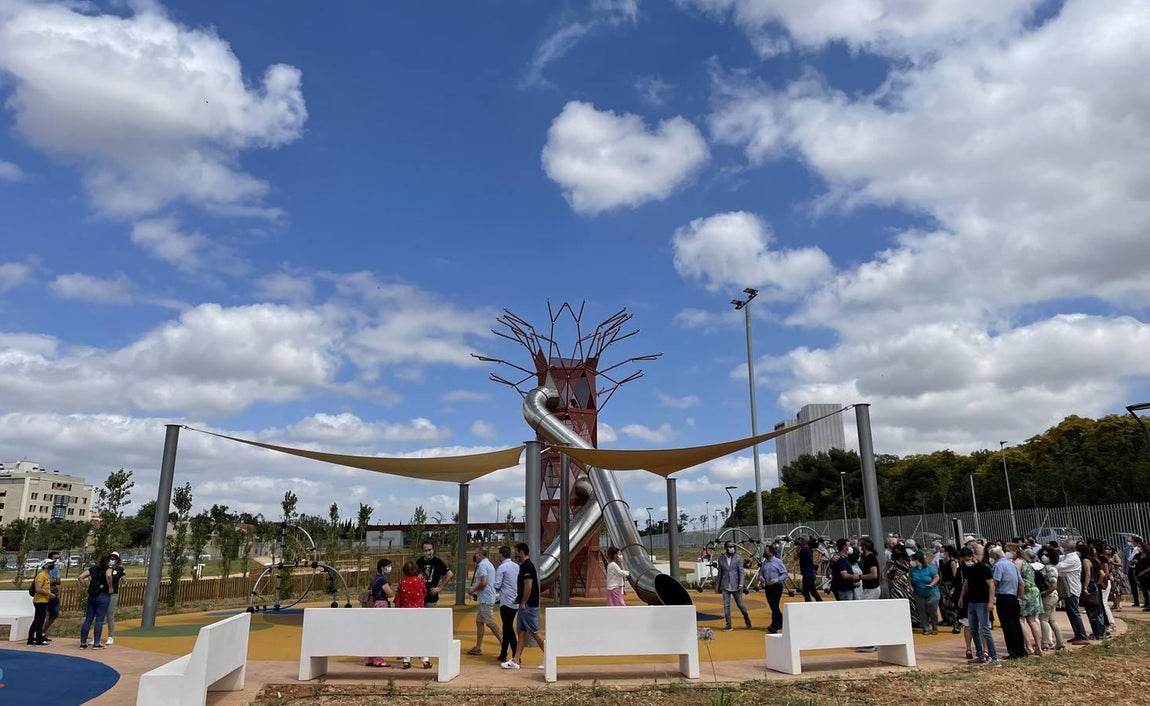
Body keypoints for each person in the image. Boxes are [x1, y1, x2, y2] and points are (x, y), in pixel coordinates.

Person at [502, 543, 545, 670]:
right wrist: (519, 599)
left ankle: (549, 656)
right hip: (523, 605)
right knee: (521, 632)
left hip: (528, 606)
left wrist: (523, 602)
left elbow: (528, 585)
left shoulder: (527, 567)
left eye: (517, 552)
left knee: (534, 632)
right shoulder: (524, 566)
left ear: (521, 552)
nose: (516, 555)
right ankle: (516, 660)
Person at [959, 546, 999, 666]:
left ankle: (994, 657)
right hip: (972, 601)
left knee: (985, 629)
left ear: (973, 556)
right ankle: (980, 655)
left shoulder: (983, 568)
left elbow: (991, 585)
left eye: (967, 559)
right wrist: (962, 596)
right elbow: (967, 583)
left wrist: (991, 601)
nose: (966, 562)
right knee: (973, 629)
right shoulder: (966, 569)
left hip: (982, 601)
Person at [989, 546, 1026, 659]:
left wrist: (990, 598)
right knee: (1016, 624)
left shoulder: (998, 565)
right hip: (1013, 597)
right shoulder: (1012, 565)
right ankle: (1020, 650)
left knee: (1007, 626)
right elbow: (1021, 583)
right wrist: (1019, 597)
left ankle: (1013, 652)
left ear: (995, 556)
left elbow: (994, 582)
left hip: (1003, 597)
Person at [466, 548, 502, 654]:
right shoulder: (488, 564)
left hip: (486, 599)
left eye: (475, 554)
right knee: (479, 621)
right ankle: (478, 647)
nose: (474, 556)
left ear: (479, 555)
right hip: (486, 597)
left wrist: (473, 590)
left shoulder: (482, 565)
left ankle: (504, 643)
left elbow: (483, 582)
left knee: (490, 622)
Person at [393, 560, 427, 669]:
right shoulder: (420, 581)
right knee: (420, 636)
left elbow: (398, 598)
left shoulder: (402, 583)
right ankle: (425, 660)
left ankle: (406, 660)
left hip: (405, 613)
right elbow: (424, 592)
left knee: (406, 636)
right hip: (419, 612)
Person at [1055, 540, 1091, 644]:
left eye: (1063, 547)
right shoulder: (1068, 556)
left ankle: (1082, 636)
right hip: (1068, 588)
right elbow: (1059, 560)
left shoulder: (1073, 559)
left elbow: (1058, 567)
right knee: (1071, 613)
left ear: (1067, 548)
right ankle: (1078, 634)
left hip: (1071, 588)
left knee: (1074, 613)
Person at [77, 553, 114, 649]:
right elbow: (109, 576)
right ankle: (96, 643)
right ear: (109, 560)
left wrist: (86, 586)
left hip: (92, 595)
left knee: (88, 619)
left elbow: (80, 577)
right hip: (103, 595)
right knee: (99, 620)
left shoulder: (93, 568)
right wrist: (110, 587)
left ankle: (83, 642)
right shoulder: (108, 568)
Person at [365, 558, 396, 667]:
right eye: (388, 566)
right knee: (381, 632)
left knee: (374, 632)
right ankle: (378, 659)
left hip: (375, 605)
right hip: (382, 605)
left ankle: (370, 658)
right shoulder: (382, 580)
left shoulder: (375, 578)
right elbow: (390, 593)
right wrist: (392, 591)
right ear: (383, 568)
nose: (389, 568)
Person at [714, 540, 751, 631]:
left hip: (736, 585)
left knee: (740, 604)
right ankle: (728, 624)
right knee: (726, 605)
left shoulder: (738, 558)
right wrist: (717, 586)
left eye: (733, 546)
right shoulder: (721, 558)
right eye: (729, 547)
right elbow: (720, 573)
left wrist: (741, 584)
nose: (731, 548)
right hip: (725, 585)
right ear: (726, 548)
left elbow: (741, 572)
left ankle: (747, 619)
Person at [493, 545, 519, 663]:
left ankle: (515, 654)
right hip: (515, 601)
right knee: (507, 627)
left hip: (505, 601)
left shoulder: (502, 567)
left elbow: (497, 585)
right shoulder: (516, 566)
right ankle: (503, 654)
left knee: (508, 629)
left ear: (500, 555)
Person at [1036, 546, 1065, 651]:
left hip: (1049, 596)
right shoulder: (1051, 567)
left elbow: (1053, 585)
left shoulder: (1049, 569)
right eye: (1042, 554)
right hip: (1053, 596)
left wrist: (1044, 593)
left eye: (1047, 555)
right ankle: (1060, 642)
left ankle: (1045, 643)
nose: (1044, 557)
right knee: (1052, 620)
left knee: (1043, 619)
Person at [1017, 548, 1044, 655]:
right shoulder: (1029, 565)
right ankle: (1038, 646)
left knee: (1021, 619)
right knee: (1032, 620)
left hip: (1026, 592)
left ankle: (1028, 647)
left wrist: (1018, 596)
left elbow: (1019, 581)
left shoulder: (1019, 563)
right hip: (1034, 591)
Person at [757, 544, 788, 633]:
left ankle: (774, 625)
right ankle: (781, 621)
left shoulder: (778, 562)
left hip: (777, 586)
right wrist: (761, 578)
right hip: (768, 587)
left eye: (766, 551)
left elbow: (785, 574)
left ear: (771, 552)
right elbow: (761, 573)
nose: (765, 553)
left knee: (775, 605)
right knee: (772, 605)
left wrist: (777, 580)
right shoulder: (764, 563)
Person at [908, 551, 940, 635]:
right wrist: (910, 586)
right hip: (918, 593)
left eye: (914, 560)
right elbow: (910, 579)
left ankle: (935, 626)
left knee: (932, 609)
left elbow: (936, 577)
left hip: (931, 592)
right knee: (921, 610)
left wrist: (931, 584)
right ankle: (925, 627)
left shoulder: (929, 568)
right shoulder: (912, 570)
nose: (912, 562)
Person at [417, 540, 454, 608]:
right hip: (419, 596)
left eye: (430, 550)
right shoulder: (419, 561)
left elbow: (450, 574)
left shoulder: (437, 562)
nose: (428, 552)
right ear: (422, 551)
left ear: (433, 550)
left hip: (431, 597)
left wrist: (440, 587)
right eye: (425, 550)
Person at [27, 558, 53, 646]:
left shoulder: (47, 576)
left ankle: (31, 639)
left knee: (37, 620)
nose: (52, 565)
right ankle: (39, 639)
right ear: (45, 565)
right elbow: (38, 589)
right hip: (40, 601)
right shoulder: (41, 575)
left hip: (44, 600)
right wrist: (49, 594)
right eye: (50, 564)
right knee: (39, 620)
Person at [105, 551, 126, 645]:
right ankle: (96, 636)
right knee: (99, 616)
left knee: (110, 615)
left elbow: (124, 579)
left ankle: (110, 636)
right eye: (111, 557)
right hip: (102, 593)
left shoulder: (120, 569)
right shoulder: (105, 567)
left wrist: (124, 581)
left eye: (114, 558)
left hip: (113, 594)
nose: (112, 559)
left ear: (117, 560)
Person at [795, 536, 822, 602]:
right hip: (811, 573)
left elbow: (795, 557)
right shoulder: (809, 549)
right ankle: (820, 602)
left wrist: (797, 548)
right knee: (813, 590)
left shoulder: (803, 550)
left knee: (806, 591)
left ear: (803, 541)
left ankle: (809, 603)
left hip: (807, 574)